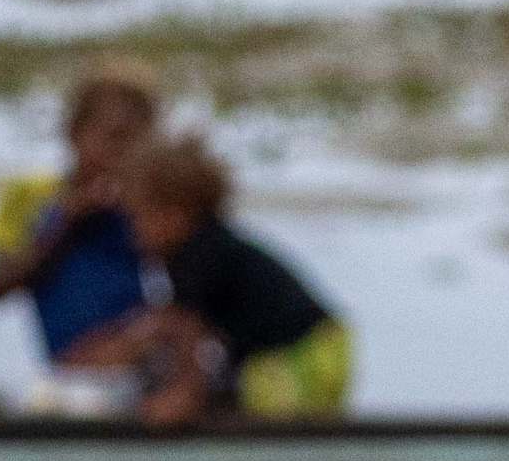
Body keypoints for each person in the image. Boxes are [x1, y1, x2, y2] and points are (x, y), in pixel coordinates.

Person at [79, 138, 351, 427]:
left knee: (276, 434)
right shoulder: (207, 246)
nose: (133, 233)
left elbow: (189, 331)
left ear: (173, 214)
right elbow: (172, 324)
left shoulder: (196, 254)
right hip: (323, 345)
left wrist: (182, 396)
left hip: (297, 353)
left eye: (137, 218)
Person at [0, 65, 164, 412]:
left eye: (140, 142)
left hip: (138, 356)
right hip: (72, 369)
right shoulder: (29, 197)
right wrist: (68, 220)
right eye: (115, 137)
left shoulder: (145, 204)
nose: (125, 154)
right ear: (73, 133)